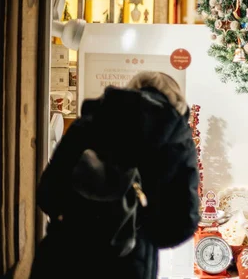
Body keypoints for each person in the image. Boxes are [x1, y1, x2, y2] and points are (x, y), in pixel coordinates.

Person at [30, 71, 200, 279]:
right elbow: (182, 223)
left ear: (132, 88)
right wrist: (142, 233)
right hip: (129, 265)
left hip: (64, 257)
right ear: (176, 98)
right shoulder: (179, 142)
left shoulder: (91, 122)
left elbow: (48, 194)